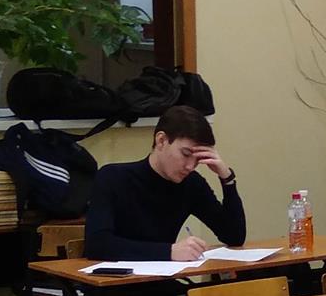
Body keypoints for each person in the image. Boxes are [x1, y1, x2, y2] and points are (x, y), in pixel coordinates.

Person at [85, 105, 245, 262]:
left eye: (198, 159)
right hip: (115, 277)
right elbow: (97, 245)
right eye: (185, 154)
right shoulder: (113, 177)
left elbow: (234, 236)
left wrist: (227, 178)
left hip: (165, 277)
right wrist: (168, 252)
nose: (190, 166)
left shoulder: (191, 183)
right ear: (161, 140)